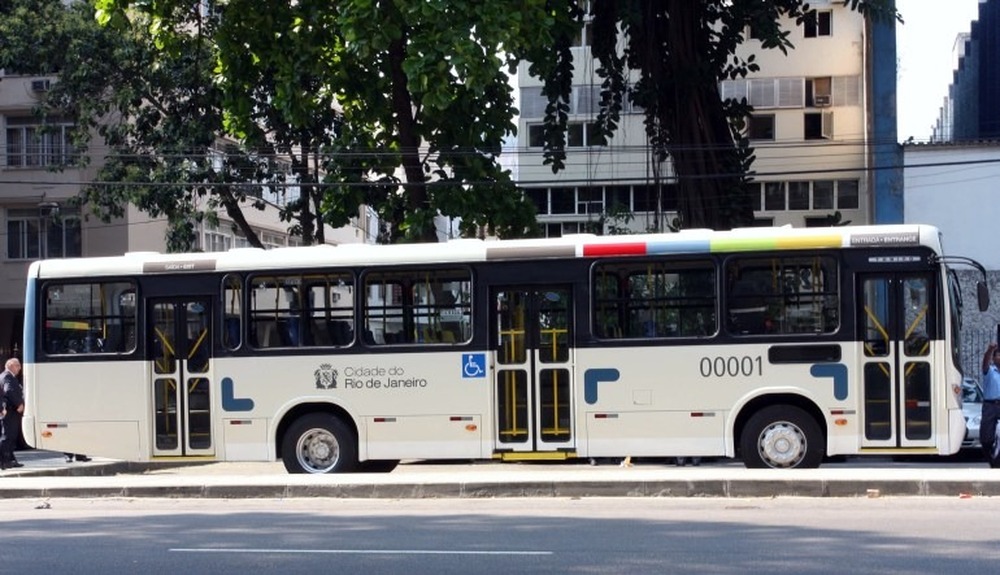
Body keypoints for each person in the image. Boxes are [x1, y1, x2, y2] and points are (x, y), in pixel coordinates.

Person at [0, 357, 24, 469]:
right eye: (17, 365)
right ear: (10, 366)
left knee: (11, 436)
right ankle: (4, 461)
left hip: (10, 411)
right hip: (10, 411)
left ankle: (10, 459)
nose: (20, 368)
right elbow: (9, 390)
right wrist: (19, 404)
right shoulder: (7, 376)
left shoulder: (8, 376)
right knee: (7, 436)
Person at [980, 343, 1000, 467]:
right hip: (990, 406)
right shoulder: (989, 371)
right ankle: (992, 460)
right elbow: (985, 363)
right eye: (998, 355)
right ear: (993, 358)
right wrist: (990, 350)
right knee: (986, 438)